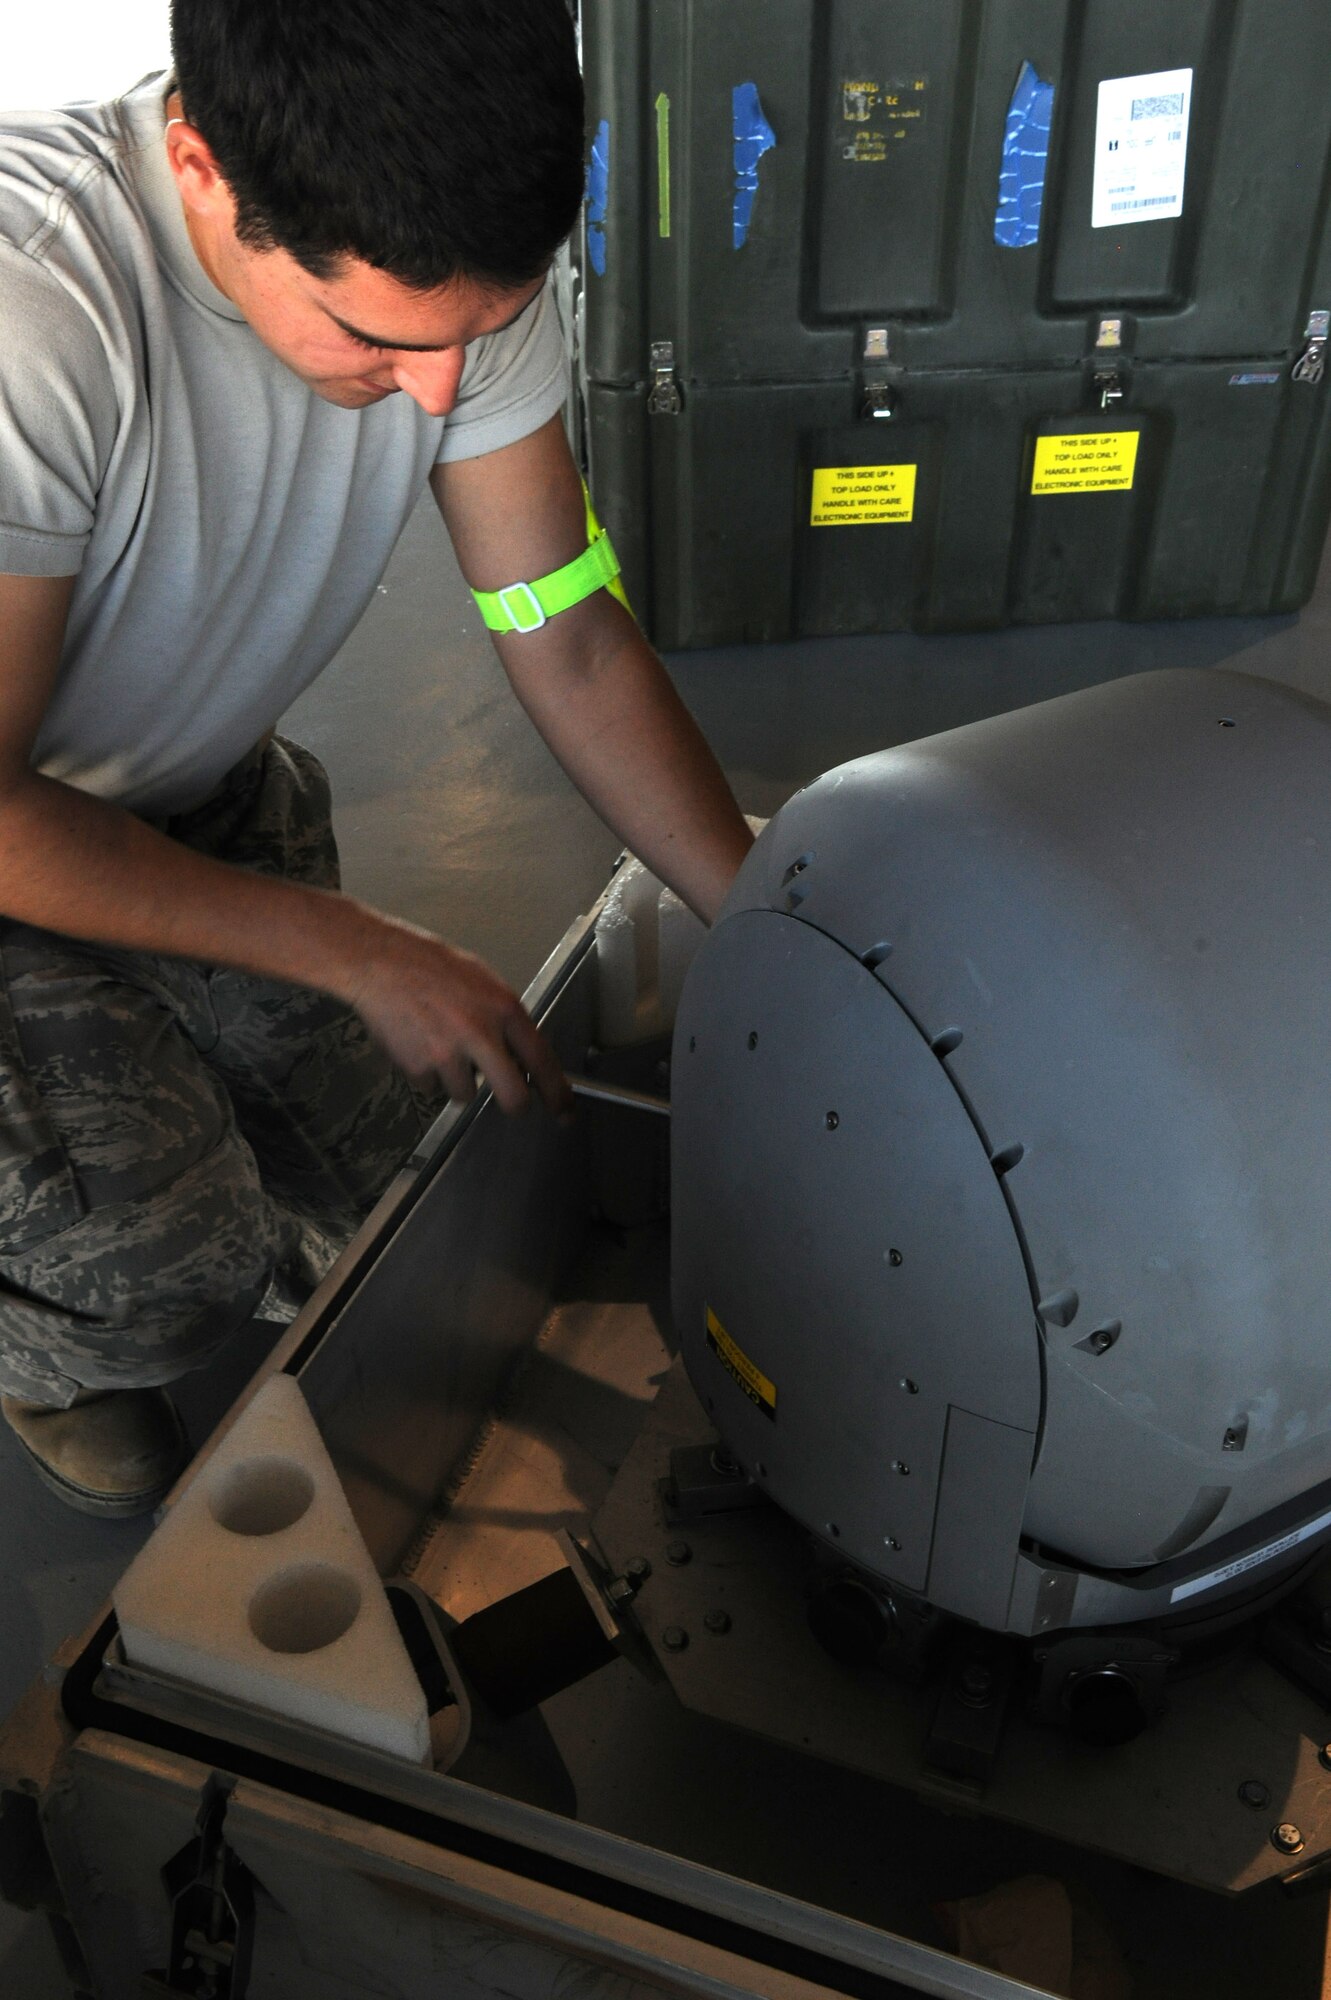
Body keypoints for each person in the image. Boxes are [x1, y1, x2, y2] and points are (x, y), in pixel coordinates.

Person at [0, 0, 753, 1517]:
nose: (440, 393)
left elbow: (563, 628)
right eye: (380, 339)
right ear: (202, 171)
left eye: (481, 333)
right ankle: (49, 1352)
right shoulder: (37, 319)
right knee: (175, 1263)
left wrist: (771, 926)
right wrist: (352, 946)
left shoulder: (453, 263)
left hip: (178, 789)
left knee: (406, 1202)